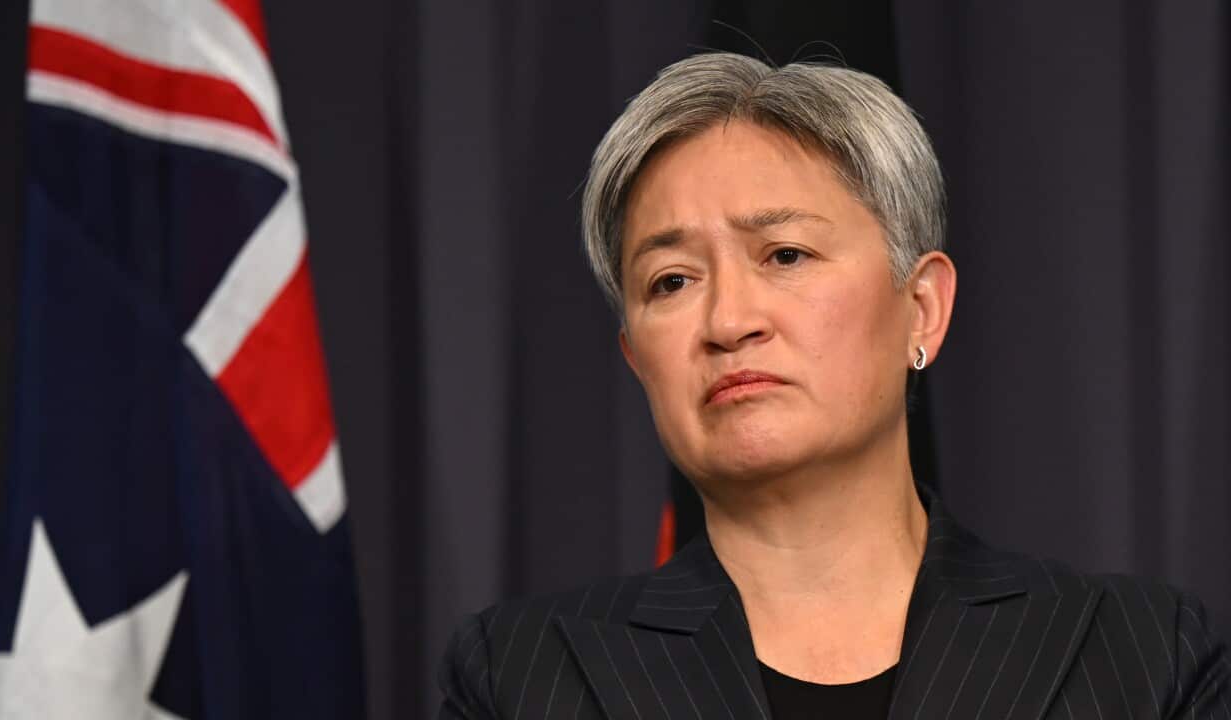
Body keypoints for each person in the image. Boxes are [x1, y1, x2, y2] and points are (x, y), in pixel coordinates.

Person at [438, 52, 1229, 718]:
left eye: (784, 256)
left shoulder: (1145, 657)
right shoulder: (517, 677)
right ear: (636, 358)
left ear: (921, 309)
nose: (728, 320)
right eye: (671, 280)